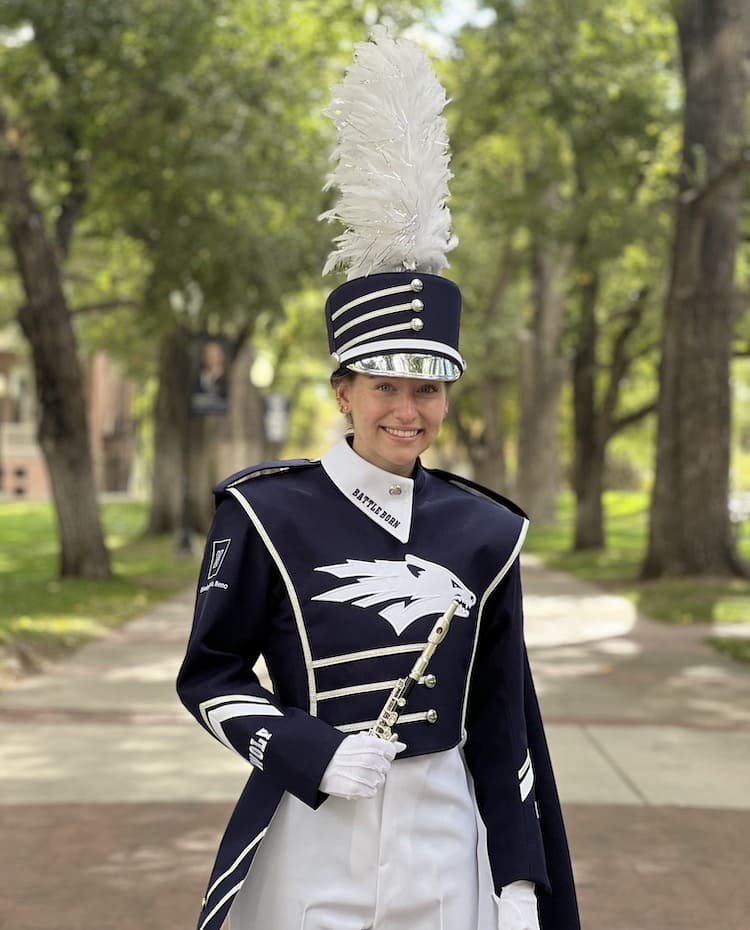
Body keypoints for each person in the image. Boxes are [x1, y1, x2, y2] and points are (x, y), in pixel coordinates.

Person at [176, 28, 580, 930]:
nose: (410, 409)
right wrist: (305, 748)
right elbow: (209, 675)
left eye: (429, 388)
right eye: (387, 387)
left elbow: (504, 713)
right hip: (310, 821)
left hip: (447, 829)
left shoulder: (484, 530)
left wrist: (519, 879)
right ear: (344, 392)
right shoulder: (265, 509)